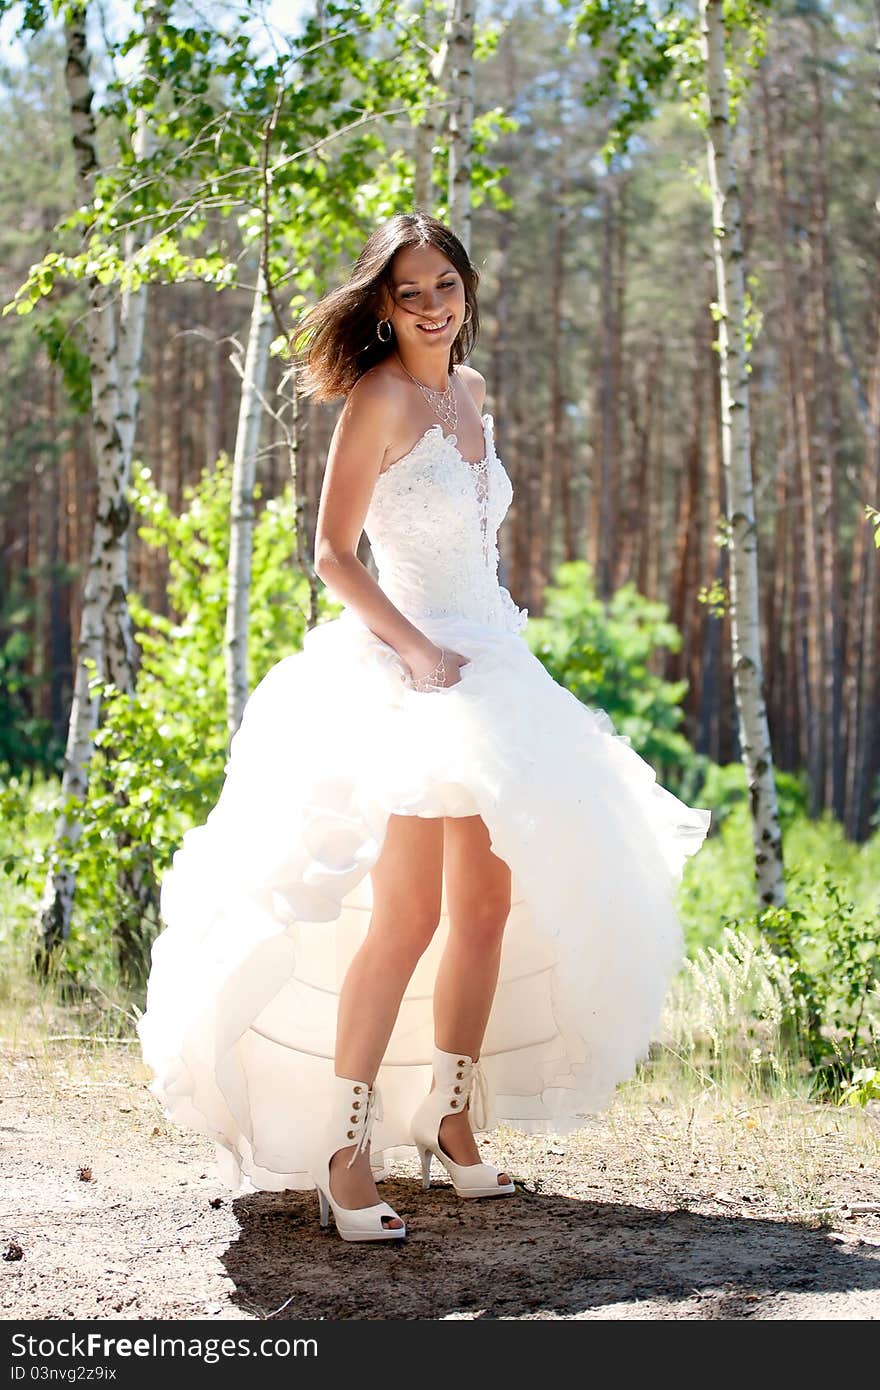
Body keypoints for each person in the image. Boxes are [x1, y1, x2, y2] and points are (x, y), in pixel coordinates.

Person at [137, 211, 711, 1245]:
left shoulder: (472, 393)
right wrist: (411, 649)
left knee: (485, 904)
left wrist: (482, 648)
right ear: (383, 307)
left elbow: (476, 548)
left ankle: (450, 1122)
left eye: (446, 285)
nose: (434, 306)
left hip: (494, 665)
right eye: (411, 293)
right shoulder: (379, 398)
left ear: (466, 290)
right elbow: (332, 553)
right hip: (407, 670)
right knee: (403, 914)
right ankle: (344, 1155)